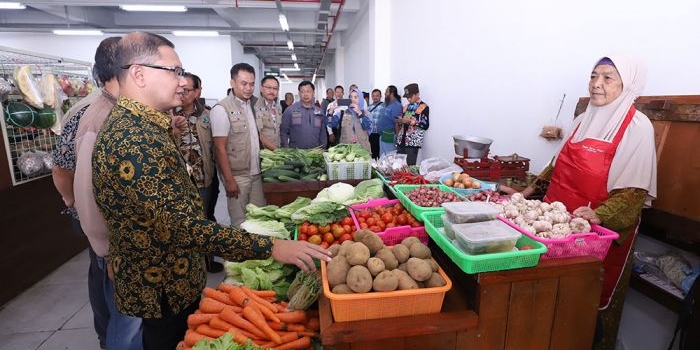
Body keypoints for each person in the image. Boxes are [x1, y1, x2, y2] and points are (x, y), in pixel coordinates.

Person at [92, 32, 331, 350]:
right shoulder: (133, 139)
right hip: (161, 288)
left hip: (171, 282)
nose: (181, 81)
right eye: (174, 71)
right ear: (138, 73)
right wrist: (270, 248)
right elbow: (183, 228)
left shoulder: (147, 127)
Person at [503, 55, 657, 350]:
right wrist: (527, 193)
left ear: (628, 85)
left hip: (595, 238)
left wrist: (599, 214)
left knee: (583, 314)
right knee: (550, 303)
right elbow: (556, 166)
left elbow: (634, 193)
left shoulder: (637, 128)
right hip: (555, 230)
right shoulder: (580, 120)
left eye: (608, 77)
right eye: (593, 75)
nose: (597, 84)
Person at [52, 36, 144, 350]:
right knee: (123, 305)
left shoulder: (126, 110)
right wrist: (72, 201)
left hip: (109, 225)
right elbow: (62, 169)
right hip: (108, 225)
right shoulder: (89, 113)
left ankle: (107, 336)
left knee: (106, 282)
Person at [173, 72, 222, 273]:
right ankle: (192, 263)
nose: (182, 94)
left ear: (197, 92)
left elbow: (216, 148)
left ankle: (207, 259)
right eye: (180, 89)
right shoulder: (168, 116)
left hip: (204, 179)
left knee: (206, 217)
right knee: (185, 222)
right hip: (179, 181)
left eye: (187, 90)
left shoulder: (207, 116)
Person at [210, 63, 268, 228]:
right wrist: (229, 180)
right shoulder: (222, 109)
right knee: (240, 223)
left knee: (259, 220)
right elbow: (219, 148)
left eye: (251, 84)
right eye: (244, 83)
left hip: (256, 174)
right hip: (238, 177)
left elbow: (257, 136)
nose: (248, 88)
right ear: (232, 83)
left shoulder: (253, 106)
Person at [280, 80, 328, 149]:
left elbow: (323, 133)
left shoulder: (319, 112)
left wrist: (323, 149)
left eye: (308, 91)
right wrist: (287, 150)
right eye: (302, 91)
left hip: (315, 154)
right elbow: (283, 132)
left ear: (313, 93)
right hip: (296, 154)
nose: (305, 94)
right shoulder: (290, 110)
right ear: (299, 93)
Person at [328, 86, 371, 151]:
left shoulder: (366, 113)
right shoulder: (342, 113)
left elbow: (368, 127)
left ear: (361, 99)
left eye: (356, 97)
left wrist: (360, 113)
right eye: (351, 97)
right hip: (346, 151)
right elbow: (330, 124)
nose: (353, 99)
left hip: (363, 150)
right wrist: (330, 112)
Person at [396, 83, 429, 165]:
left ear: (417, 94)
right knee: (399, 167)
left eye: (410, 97)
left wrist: (412, 122)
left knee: (410, 168)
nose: (408, 99)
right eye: (407, 97)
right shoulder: (406, 107)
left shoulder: (423, 107)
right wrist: (400, 121)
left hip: (412, 143)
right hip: (401, 141)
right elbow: (402, 120)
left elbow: (425, 125)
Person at [254, 75, 282, 150]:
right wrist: (276, 150)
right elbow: (258, 134)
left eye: (275, 88)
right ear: (261, 88)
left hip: (277, 150)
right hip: (262, 152)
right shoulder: (254, 107)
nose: (272, 91)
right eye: (268, 87)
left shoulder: (278, 107)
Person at [378, 85, 402, 156]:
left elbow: (397, 123)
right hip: (382, 135)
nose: (385, 93)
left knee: (389, 158)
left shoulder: (396, 105)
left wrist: (397, 139)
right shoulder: (386, 104)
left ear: (391, 94)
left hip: (389, 135)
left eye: (386, 92)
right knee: (382, 158)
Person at [367, 88, 384, 158]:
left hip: (379, 134)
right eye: (373, 96)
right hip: (370, 133)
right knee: (371, 152)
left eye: (377, 95)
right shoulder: (368, 107)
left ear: (380, 96)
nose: (375, 97)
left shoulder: (384, 106)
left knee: (379, 152)